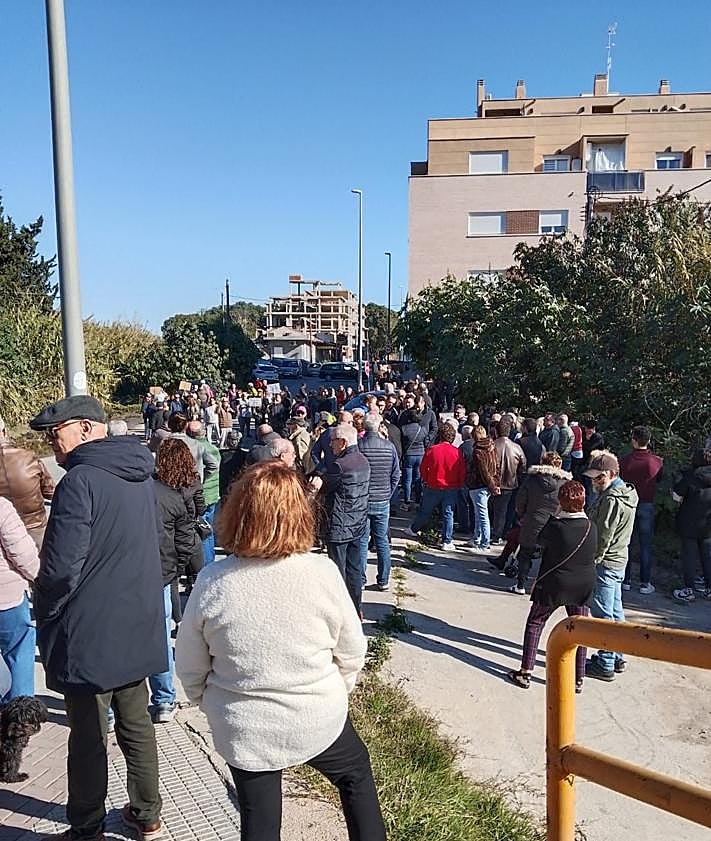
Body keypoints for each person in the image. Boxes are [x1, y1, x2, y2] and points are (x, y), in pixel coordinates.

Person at [175, 461, 385, 841]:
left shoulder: (213, 582)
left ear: (237, 511)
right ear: (301, 513)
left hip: (244, 726)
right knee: (355, 775)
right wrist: (336, 691)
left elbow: (189, 667)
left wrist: (213, 704)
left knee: (259, 818)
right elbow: (352, 650)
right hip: (317, 716)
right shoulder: (322, 572)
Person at [29, 395, 165, 841]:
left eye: (57, 432)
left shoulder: (79, 482)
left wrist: (45, 610)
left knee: (88, 737)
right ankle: (147, 814)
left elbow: (60, 569)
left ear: (86, 428)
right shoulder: (141, 471)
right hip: (137, 623)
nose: (52, 443)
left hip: (90, 632)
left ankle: (86, 826)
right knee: (136, 725)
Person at [507, 481, 597, 693]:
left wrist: (554, 515)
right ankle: (578, 678)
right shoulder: (591, 527)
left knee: (536, 622)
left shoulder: (556, 527)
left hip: (554, 583)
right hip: (583, 584)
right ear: (583, 502)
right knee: (580, 629)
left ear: (561, 503)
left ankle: (526, 671)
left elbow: (540, 541)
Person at [150, 440, 202, 724]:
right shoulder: (184, 488)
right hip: (166, 567)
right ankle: (164, 700)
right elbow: (187, 534)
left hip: (143, 571)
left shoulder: (147, 490)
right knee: (160, 636)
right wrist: (177, 566)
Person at [583, 451, 638, 682]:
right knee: (615, 611)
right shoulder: (626, 494)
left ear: (612, 474)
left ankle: (606, 661)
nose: (594, 482)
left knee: (603, 613)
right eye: (593, 478)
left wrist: (592, 561)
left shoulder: (611, 499)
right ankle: (617, 655)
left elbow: (604, 535)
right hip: (619, 560)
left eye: (599, 478)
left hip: (606, 562)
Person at [312, 424, 370, 616]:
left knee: (337, 572)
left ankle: (342, 612)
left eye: (333, 440)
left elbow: (324, 487)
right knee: (354, 570)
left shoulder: (340, 465)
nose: (330, 444)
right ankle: (356, 608)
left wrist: (317, 482)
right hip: (358, 522)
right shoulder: (362, 461)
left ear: (343, 442)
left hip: (339, 525)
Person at [508, 452, 571, 594]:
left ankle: (520, 585)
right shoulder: (565, 483)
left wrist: (522, 514)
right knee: (549, 557)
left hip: (533, 520)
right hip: (554, 523)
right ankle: (543, 588)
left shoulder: (533, 479)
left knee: (525, 553)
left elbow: (521, 500)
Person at [0, 497, 40, 703]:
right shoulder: (2, 507)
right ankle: (20, 719)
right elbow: (21, 552)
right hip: (7, 597)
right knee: (19, 651)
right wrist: (38, 577)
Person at [0, 412, 55, 549]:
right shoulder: (29, 457)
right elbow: (50, 491)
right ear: (4, 431)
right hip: (35, 528)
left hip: (3, 532)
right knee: (44, 566)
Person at [618, 426, 663, 595]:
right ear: (649, 440)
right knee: (645, 545)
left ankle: (626, 579)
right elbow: (659, 479)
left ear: (634, 440)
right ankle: (645, 582)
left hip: (628, 502)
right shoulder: (656, 461)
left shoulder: (624, 460)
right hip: (646, 502)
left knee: (626, 541)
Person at [358, 413, 400, 591]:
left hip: (362, 499)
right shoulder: (389, 447)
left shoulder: (359, 447)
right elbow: (396, 474)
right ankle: (384, 579)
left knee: (361, 540)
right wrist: (388, 492)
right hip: (382, 499)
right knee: (382, 540)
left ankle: (360, 578)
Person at [410, 423, 466, 551]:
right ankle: (447, 540)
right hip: (451, 487)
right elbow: (462, 470)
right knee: (448, 513)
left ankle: (414, 529)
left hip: (433, 485)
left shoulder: (432, 450)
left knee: (425, 510)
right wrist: (459, 483)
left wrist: (427, 479)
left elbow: (423, 468)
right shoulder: (457, 452)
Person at [671, 449, 711, 602]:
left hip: (689, 522)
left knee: (689, 557)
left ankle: (689, 589)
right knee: (707, 556)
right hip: (708, 524)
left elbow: (677, 496)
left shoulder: (690, 475)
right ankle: (709, 589)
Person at [187, 421, 221, 566]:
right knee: (207, 528)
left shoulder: (195, 448)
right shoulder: (212, 447)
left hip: (201, 494)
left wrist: (200, 479)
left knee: (201, 529)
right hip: (212, 494)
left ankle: (204, 562)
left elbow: (212, 465)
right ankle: (209, 560)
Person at [491, 419, 527, 544]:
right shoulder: (516, 447)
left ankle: (496, 534)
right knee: (508, 510)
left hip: (494, 482)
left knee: (497, 510)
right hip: (511, 483)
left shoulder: (492, 446)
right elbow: (523, 465)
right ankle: (505, 532)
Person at [465, 425, 499, 552]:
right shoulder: (492, 447)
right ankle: (477, 539)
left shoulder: (478, 450)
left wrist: (491, 485)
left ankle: (484, 543)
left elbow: (483, 471)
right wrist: (495, 483)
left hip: (479, 484)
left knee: (482, 514)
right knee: (480, 513)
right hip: (488, 485)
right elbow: (497, 466)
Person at [167, 413, 219, 482]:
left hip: (171, 485)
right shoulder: (196, 444)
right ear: (186, 426)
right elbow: (213, 465)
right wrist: (201, 478)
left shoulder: (164, 444)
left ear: (169, 425)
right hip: (193, 485)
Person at [399, 406, 426, 510]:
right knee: (418, 478)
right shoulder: (422, 429)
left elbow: (403, 442)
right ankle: (418, 500)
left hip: (409, 455)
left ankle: (407, 501)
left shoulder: (404, 429)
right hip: (420, 454)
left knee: (407, 480)